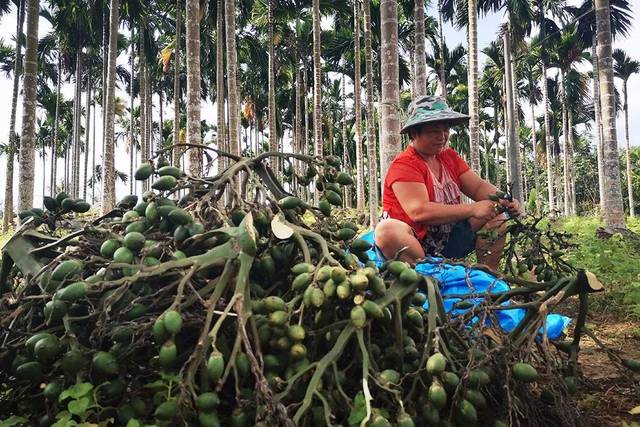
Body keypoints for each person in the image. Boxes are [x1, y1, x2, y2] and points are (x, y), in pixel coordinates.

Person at [374, 95, 521, 270]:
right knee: (387, 231)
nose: (442, 137)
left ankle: (488, 278)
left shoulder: (448, 157)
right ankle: (425, 274)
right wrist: (473, 208)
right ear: (414, 133)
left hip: (447, 240)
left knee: (497, 217)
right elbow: (418, 211)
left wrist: (505, 200)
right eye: (434, 131)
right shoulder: (405, 164)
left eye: (445, 130)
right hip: (415, 243)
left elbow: (478, 186)